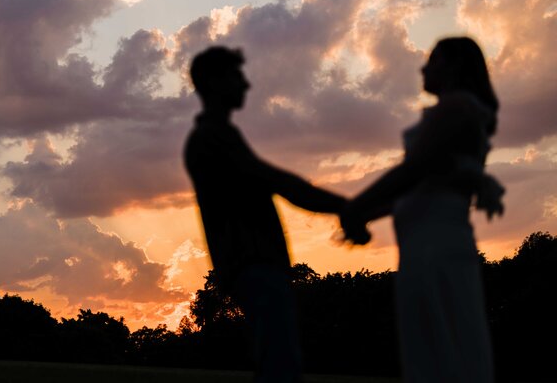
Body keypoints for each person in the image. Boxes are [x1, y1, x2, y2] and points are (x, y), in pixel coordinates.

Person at [340, 37, 504, 383]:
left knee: (441, 353)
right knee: (437, 350)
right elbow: (422, 185)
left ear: (454, 66)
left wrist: (356, 207)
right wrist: (367, 212)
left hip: (435, 248)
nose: (423, 68)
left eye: (433, 60)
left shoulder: (457, 107)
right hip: (424, 246)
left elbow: (413, 170)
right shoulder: (458, 110)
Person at [184, 46, 346, 382]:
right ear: (214, 82)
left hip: (253, 266)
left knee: (278, 363)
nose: (246, 85)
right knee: (280, 367)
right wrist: (345, 207)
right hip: (253, 265)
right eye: (236, 76)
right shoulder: (212, 138)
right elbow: (275, 180)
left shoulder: (219, 136)